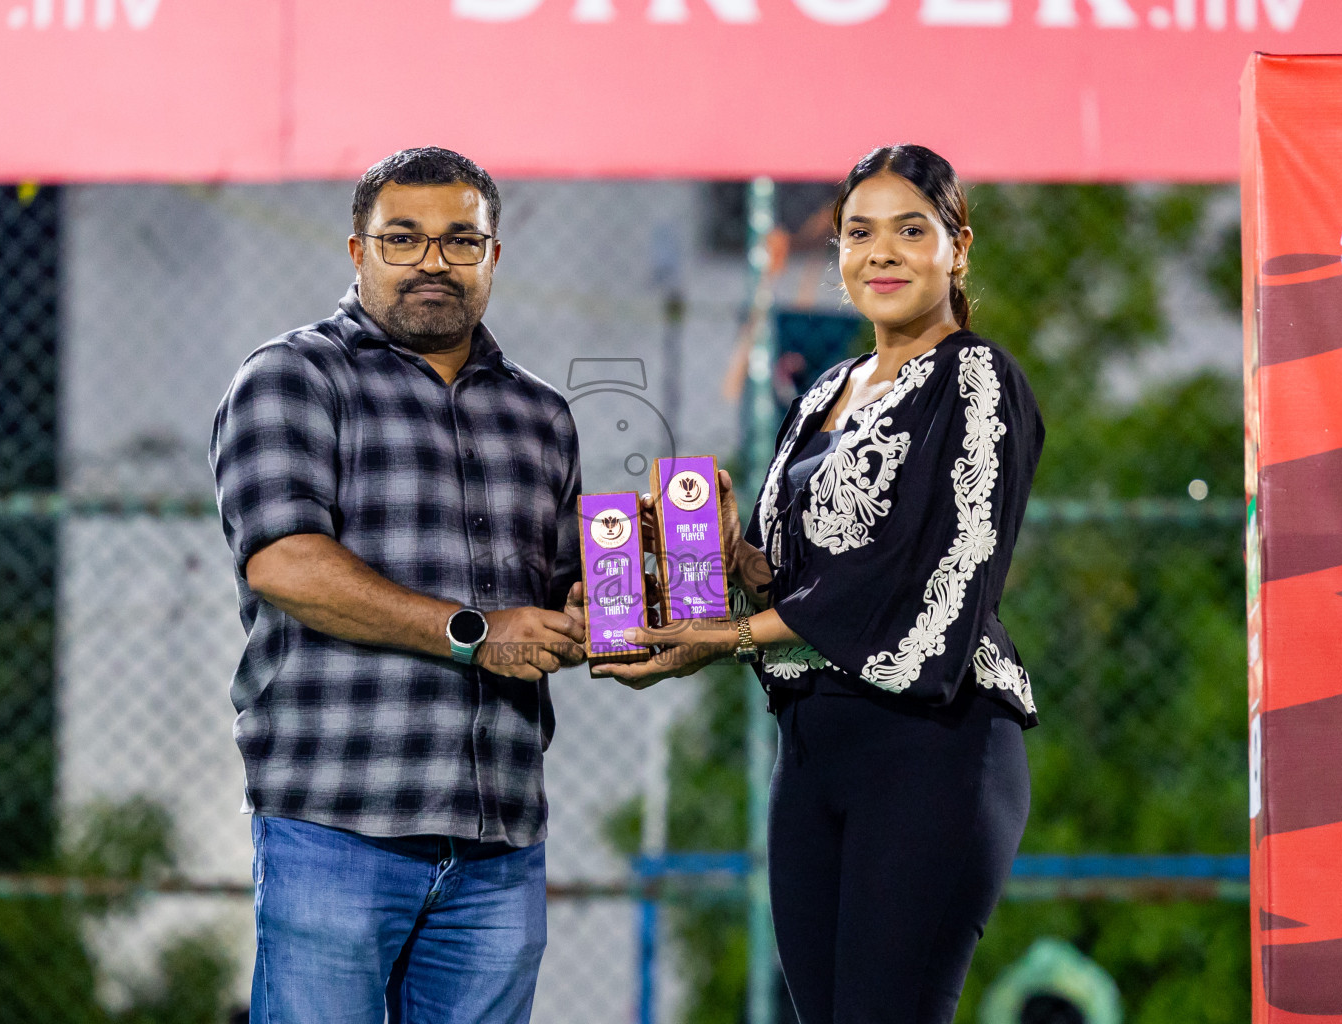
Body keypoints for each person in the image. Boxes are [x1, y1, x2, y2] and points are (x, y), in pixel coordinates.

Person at [598, 144, 1043, 1024]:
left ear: (957, 247)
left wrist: (724, 639)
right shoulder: (824, 394)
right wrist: (726, 557)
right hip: (809, 755)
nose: (880, 253)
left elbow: (911, 575)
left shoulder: (975, 379)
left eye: (910, 231)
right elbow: (789, 585)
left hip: (931, 743)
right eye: (858, 232)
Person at [209, 146, 588, 1024]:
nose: (431, 261)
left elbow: (565, 595)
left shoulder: (540, 416)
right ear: (357, 252)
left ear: (492, 257)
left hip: (500, 837)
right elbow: (284, 562)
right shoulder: (293, 378)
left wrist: (661, 578)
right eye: (403, 239)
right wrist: (474, 631)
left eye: (460, 241)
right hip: (336, 822)